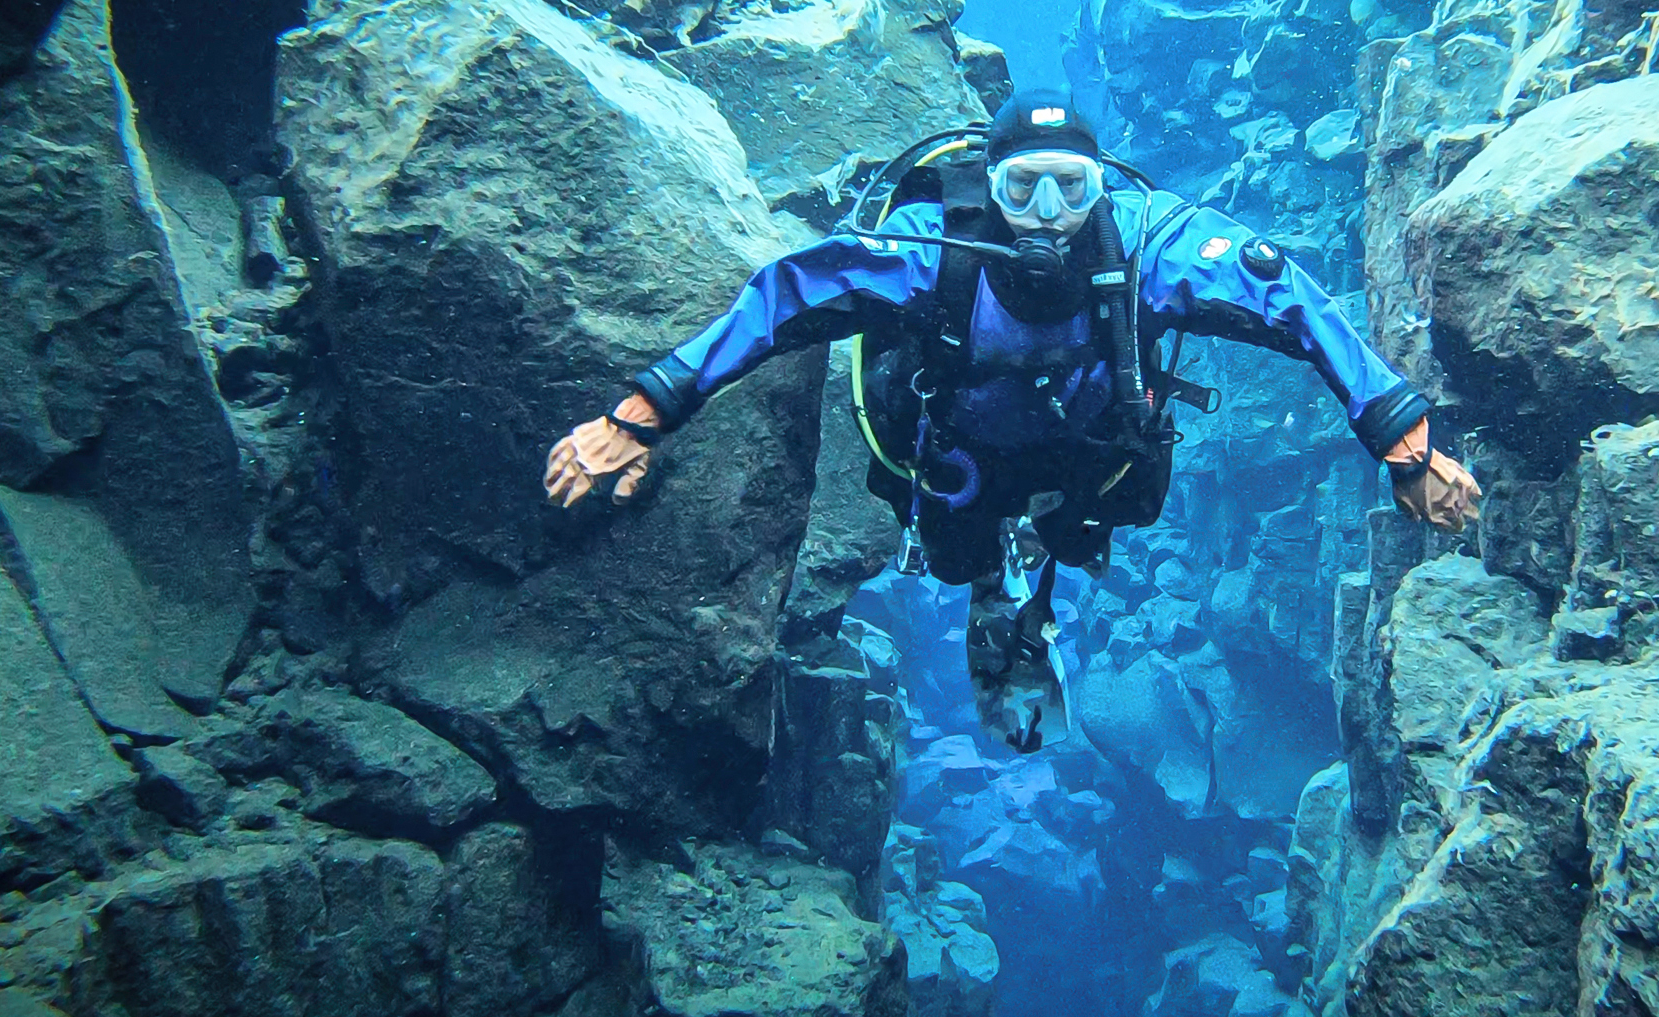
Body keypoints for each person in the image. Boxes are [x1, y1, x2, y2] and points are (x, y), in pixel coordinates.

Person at [545, 89, 1480, 751]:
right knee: (960, 557)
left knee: (1083, 533)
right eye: (1023, 187)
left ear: (1101, 186)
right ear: (988, 186)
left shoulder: (1148, 242)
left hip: (1087, 460)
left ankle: (1035, 595)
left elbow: (1287, 296)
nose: (1048, 214)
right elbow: (784, 297)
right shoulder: (931, 252)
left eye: (1072, 188)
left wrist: (1403, 439)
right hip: (956, 462)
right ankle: (995, 591)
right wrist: (644, 411)